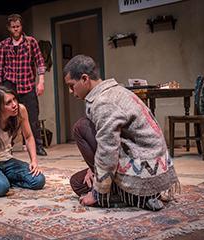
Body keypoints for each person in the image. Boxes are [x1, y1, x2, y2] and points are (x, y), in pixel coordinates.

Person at [63, 55, 179, 211]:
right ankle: (135, 196)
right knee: (78, 181)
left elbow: (108, 148)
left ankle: (138, 197)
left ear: (85, 79)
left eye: (72, 86)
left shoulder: (103, 101)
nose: (71, 91)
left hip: (143, 170)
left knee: (81, 127)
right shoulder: (115, 91)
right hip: (155, 168)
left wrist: (97, 193)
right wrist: (94, 168)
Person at [0, 14, 48, 156]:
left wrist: (41, 82)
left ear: (21, 27)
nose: (16, 29)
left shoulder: (30, 42)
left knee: (33, 116)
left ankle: (37, 146)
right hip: (9, 85)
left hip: (27, 84)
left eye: (18, 26)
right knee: (8, 117)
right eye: (13, 27)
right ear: (9, 28)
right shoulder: (4, 45)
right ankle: (6, 146)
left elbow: (40, 62)